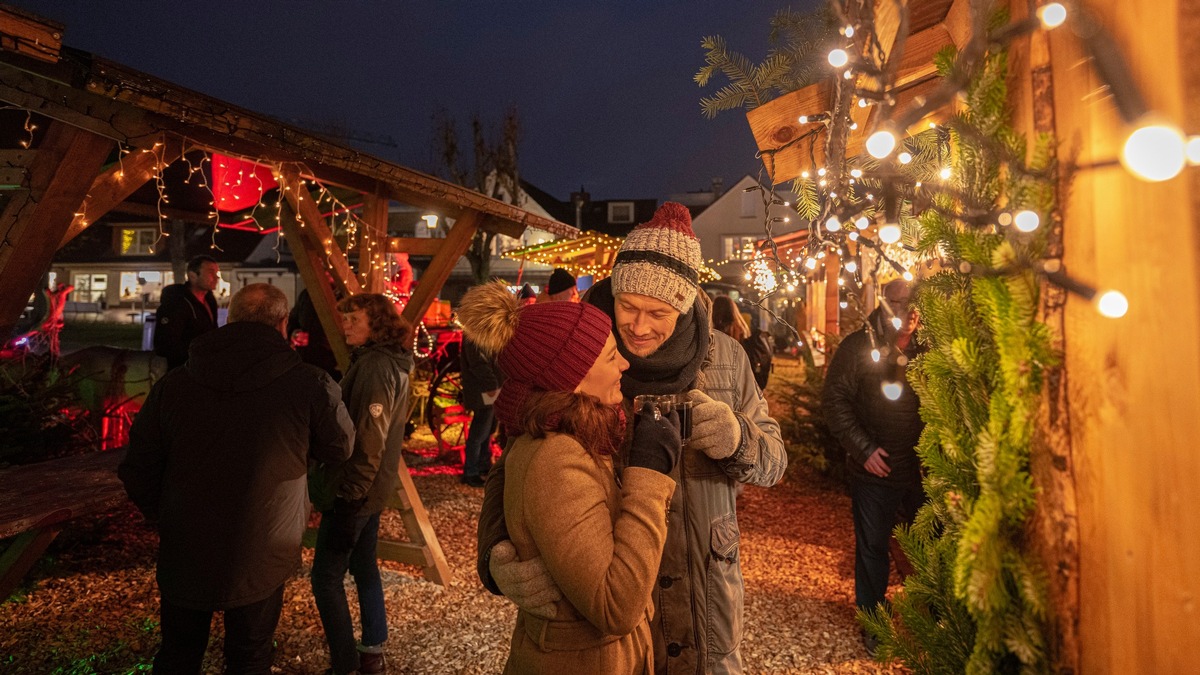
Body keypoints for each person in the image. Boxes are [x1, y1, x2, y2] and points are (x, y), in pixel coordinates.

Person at [478, 202, 788, 674]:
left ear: (684, 304)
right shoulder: (582, 346)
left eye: (657, 311)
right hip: (602, 609)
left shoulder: (726, 358)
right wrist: (496, 552)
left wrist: (736, 439)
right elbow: (517, 457)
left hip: (703, 593)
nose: (638, 327)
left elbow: (775, 460)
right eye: (628, 306)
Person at [119, 283, 354, 674]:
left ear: (230, 316)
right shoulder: (308, 384)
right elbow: (340, 447)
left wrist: (164, 513)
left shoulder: (175, 384)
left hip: (187, 538)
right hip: (265, 539)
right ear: (283, 324)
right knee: (249, 655)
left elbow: (138, 465)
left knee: (179, 653)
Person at [458, 281, 680, 674]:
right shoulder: (558, 451)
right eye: (613, 356)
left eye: (660, 310)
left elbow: (510, 468)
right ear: (574, 379)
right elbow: (616, 606)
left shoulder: (571, 423)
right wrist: (648, 474)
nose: (626, 363)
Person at [309, 293, 414, 675]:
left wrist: (349, 498)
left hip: (355, 489)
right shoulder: (387, 362)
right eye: (345, 318)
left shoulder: (375, 368)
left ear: (377, 324)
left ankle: (345, 663)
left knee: (325, 578)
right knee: (364, 566)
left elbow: (370, 438)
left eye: (354, 319)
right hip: (372, 489)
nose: (346, 325)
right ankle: (372, 651)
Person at [822, 279, 925, 654]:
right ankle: (874, 621)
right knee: (872, 549)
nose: (907, 311)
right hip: (875, 469)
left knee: (927, 547)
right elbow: (835, 401)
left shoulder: (928, 348)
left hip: (922, 468)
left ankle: (931, 620)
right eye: (898, 302)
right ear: (884, 304)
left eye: (914, 303)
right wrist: (864, 450)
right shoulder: (858, 347)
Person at [154, 255, 220, 370]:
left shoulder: (209, 300)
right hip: (183, 370)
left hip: (205, 367)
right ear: (193, 276)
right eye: (211, 273)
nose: (216, 278)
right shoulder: (176, 303)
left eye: (216, 273)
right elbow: (166, 344)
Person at [459, 332, 503, 488]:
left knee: (487, 428)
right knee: (480, 431)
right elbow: (478, 364)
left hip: (488, 389)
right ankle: (471, 471)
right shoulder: (474, 336)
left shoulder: (478, 335)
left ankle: (483, 464)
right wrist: (493, 385)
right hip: (484, 390)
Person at [289, 287, 341, 380]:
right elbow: (293, 320)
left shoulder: (344, 294)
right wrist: (293, 333)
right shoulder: (308, 294)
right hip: (307, 361)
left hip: (334, 365)